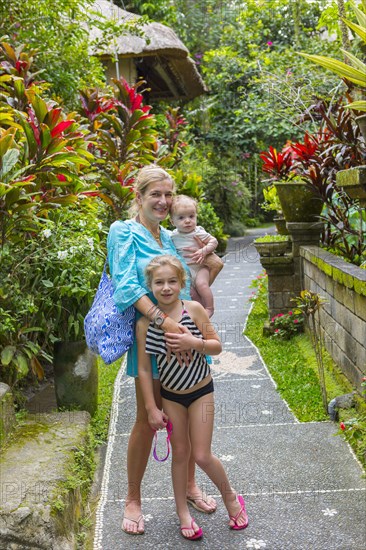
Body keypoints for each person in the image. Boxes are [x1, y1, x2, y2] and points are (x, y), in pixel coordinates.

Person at [107, 165, 217, 536]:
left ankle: (189, 488)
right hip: (151, 343)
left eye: (169, 195)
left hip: (183, 344)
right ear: (138, 197)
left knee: (184, 419)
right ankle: (133, 498)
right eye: (156, 194)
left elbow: (188, 278)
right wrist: (164, 322)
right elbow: (125, 285)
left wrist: (195, 315)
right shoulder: (123, 232)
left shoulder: (169, 237)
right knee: (148, 421)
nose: (164, 201)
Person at [137, 255, 249, 540]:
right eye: (159, 282)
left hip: (201, 392)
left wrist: (193, 342)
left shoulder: (194, 309)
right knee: (181, 455)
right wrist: (151, 407)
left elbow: (216, 346)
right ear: (150, 286)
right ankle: (183, 514)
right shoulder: (144, 324)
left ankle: (231, 498)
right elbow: (143, 369)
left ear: (182, 283)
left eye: (172, 281)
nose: (165, 287)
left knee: (201, 454)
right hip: (172, 397)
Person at [170, 195, 221, 318]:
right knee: (191, 292)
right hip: (186, 271)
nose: (187, 221)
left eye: (191, 216)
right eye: (181, 217)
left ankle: (209, 308)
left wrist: (204, 251)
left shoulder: (198, 232)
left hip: (200, 268)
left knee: (201, 285)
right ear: (172, 221)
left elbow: (213, 241)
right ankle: (199, 312)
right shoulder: (172, 236)